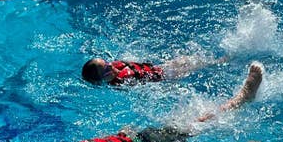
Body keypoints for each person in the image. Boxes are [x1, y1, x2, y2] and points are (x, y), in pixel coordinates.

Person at [44, 63, 263, 142]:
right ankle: (244, 98)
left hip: (145, 136)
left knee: (193, 118)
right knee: (201, 122)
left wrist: (125, 133)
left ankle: (239, 100)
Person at [81, 54, 227, 86]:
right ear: (103, 79)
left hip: (161, 67)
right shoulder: (120, 83)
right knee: (197, 66)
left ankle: (219, 60)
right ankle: (223, 61)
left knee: (188, 58)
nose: (111, 65)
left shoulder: (115, 66)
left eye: (107, 63)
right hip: (165, 77)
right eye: (106, 68)